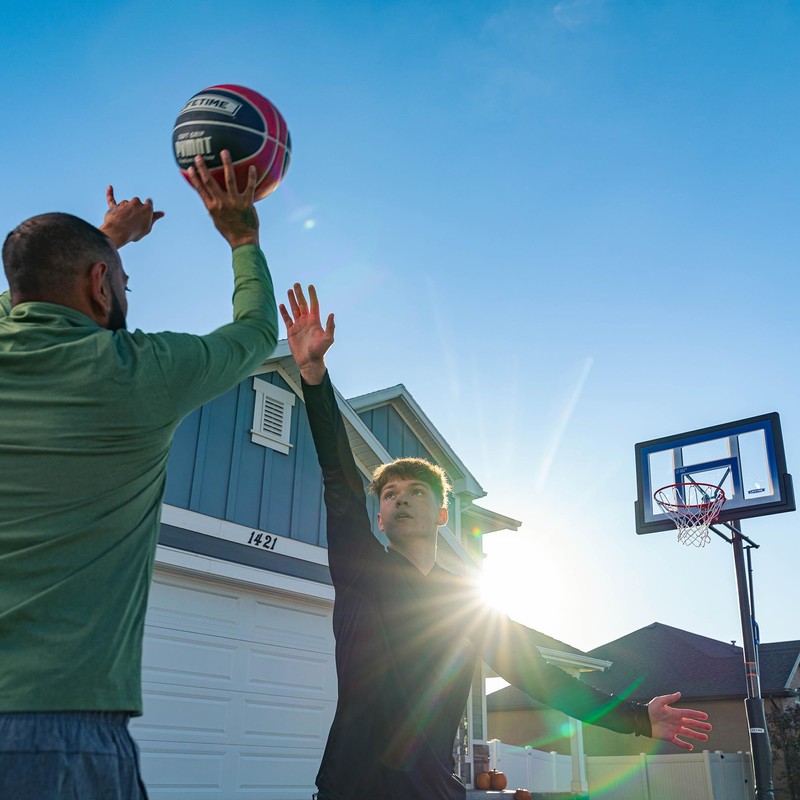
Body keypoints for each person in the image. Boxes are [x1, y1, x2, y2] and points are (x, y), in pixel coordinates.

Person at [279, 284, 713, 800]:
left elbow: (542, 677)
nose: (400, 500)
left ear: (443, 513)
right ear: (378, 514)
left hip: (433, 790)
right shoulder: (359, 568)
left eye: (416, 492)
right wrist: (313, 377)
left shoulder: (467, 606)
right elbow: (338, 476)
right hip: (351, 786)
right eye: (390, 494)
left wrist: (638, 719)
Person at [0, 152, 278, 799]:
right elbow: (258, 330)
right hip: (56, 732)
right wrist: (243, 238)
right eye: (122, 280)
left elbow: (24, 292)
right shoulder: (136, 373)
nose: (126, 292)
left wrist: (108, 241)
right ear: (99, 285)